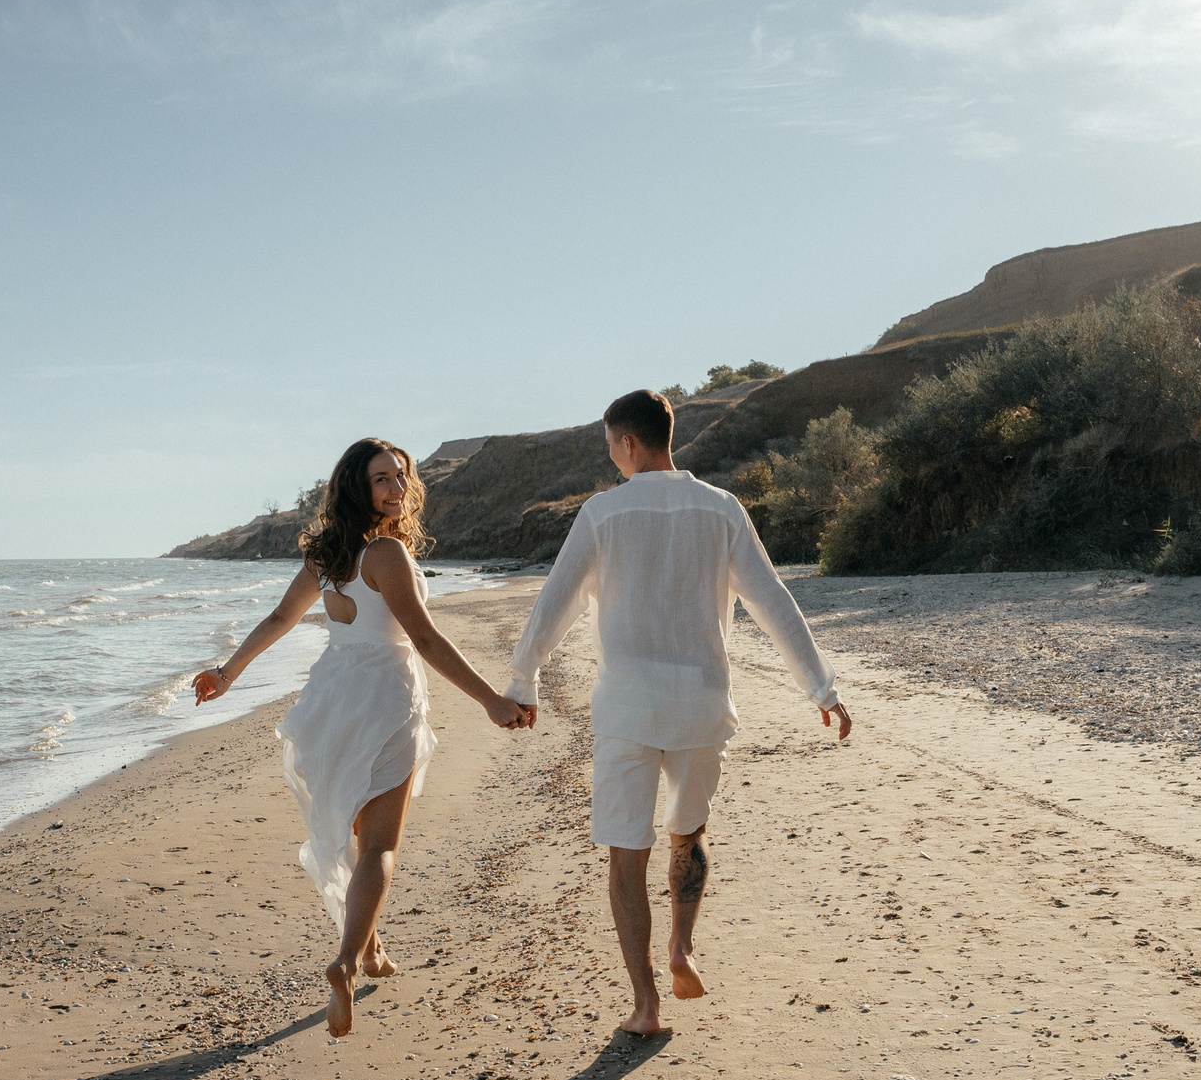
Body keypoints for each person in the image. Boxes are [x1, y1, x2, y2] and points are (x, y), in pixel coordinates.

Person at [503, 389, 851, 1037]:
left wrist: (524, 679)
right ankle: (682, 947)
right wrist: (822, 689)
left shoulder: (604, 513)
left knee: (625, 853)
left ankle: (646, 1004)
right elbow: (772, 602)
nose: (612, 457)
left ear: (628, 442)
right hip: (701, 705)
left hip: (628, 709)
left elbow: (557, 601)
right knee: (689, 832)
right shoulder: (719, 508)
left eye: (612, 445)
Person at [195, 437, 529, 1038]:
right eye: (382, 480)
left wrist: (227, 674)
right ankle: (347, 963)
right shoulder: (386, 556)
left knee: (349, 824)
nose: (397, 489)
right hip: (384, 699)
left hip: (329, 698)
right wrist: (491, 700)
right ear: (357, 487)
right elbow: (423, 640)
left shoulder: (326, 554)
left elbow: (281, 618)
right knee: (378, 844)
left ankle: (371, 951)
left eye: (400, 477)